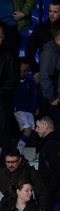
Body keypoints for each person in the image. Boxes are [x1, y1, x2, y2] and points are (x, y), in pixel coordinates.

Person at [34, 117, 60, 206]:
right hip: (51, 190)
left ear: (45, 126)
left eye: (38, 127)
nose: (36, 130)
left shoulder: (53, 144)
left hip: (54, 191)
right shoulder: (50, 142)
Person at [13, 57, 37, 154]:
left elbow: (34, 96)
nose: (24, 73)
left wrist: (35, 107)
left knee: (32, 130)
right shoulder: (13, 82)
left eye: (26, 71)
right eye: (22, 70)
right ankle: (18, 152)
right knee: (27, 130)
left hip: (29, 110)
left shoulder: (30, 82)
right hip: (19, 109)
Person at [0, 23, 17, 156]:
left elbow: (12, 80)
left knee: (4, 135)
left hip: (2, 104)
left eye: (0, 35)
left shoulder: (8, 56)